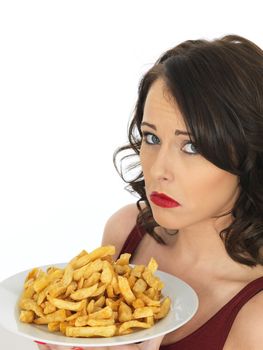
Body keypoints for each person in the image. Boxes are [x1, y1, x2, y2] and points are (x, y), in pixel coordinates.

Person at [35, 34, 263, 350]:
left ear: (250, 154)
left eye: (192, 146)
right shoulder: (126, 231)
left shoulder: (256, 317)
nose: (158, 171)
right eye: (152, 138)